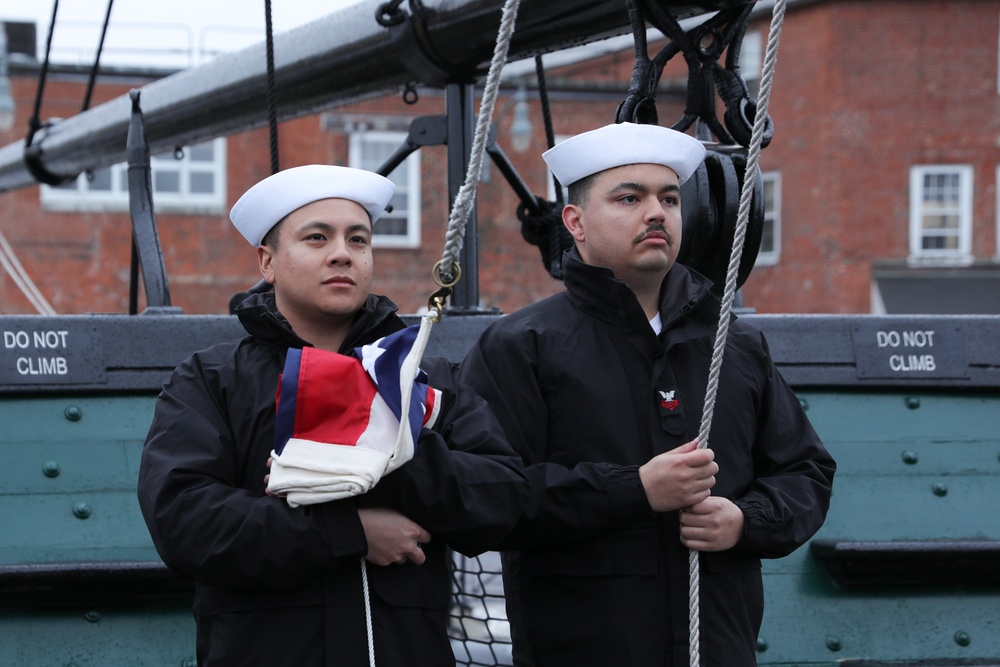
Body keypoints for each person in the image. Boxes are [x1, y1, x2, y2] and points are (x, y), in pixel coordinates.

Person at [458, 122, 836, 667]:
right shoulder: (521, 347)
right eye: (629, 198)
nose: (656, 212)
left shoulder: (736, 345)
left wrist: (743, 520)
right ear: (576, 222)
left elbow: (806, 472)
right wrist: (633, 490)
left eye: (670, 198)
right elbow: (484, 496)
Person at [137, 164, 528, 667]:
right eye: (317, 237)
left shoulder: (425, 379)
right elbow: (185, 521)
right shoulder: (212, 379)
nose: (342, 252)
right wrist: (348, 533)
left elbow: (502, 498)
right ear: (267, 262)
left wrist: (384, 447)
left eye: (358, 239)